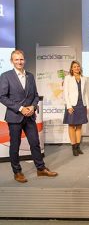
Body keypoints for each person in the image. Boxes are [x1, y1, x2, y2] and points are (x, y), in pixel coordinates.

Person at [0, 49, 58, 183]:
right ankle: (17, 172)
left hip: (30, 116)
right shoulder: (5, 76)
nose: (19, 62)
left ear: (24, 60)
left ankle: (41, 169)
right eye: (16, 59)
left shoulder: (30, 76)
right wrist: (20, 108)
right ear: (11, 61)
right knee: (15, 145)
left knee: (35, 143)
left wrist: (32, 106)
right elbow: (2, 97)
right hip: (15, 117)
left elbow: (36, 95)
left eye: (21, 59)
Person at [63, 60, 89, 156]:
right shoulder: (67, 78)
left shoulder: (84, 78)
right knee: (71, 125)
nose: (77, 68)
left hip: (82, 104)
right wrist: (68, 106)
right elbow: (65, 93)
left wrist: (87, 105)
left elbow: (85, 93)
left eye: (78, 66)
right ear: (71, 68)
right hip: (72, 105)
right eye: (74, 66)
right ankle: (73, 146)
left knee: (79, 126)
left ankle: (78, 146)